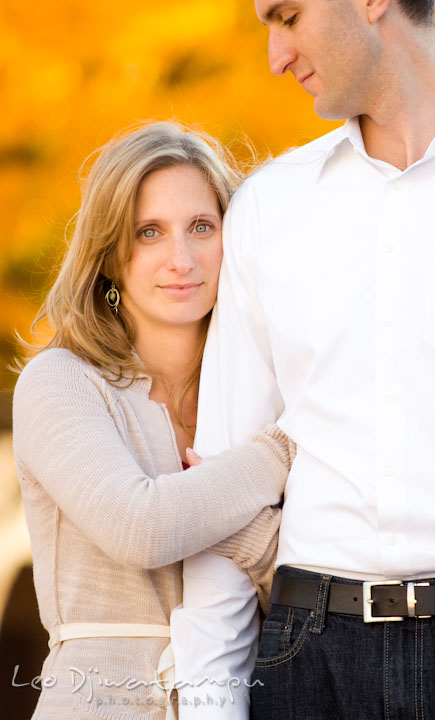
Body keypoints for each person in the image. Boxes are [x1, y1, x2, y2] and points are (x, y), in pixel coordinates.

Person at [170, 1, 435, 718]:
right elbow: (224, 492)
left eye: (287, 16)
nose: (276, 56)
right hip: (308, 660)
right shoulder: (270, 209)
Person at [12, 121, 292, 720]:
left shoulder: (263, 393)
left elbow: (301, 587)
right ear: (110, 255)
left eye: (201, 227)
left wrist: (236, 522)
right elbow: (141, 528)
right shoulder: (62, 382)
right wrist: (278, 457)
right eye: (149, 233)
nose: (181, 259)